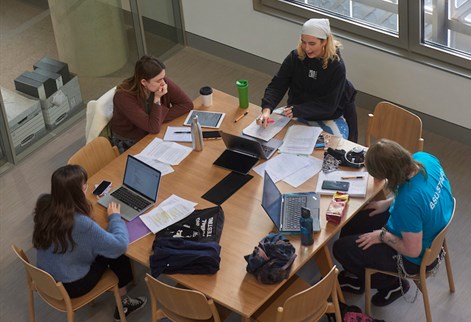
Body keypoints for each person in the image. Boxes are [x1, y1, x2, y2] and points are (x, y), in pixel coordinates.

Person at [333, 139, 454, 306]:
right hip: (431, 228)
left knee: (340, 248)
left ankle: (392, 284)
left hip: (415, 257)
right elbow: (420, 194)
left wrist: (382, 236)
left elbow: (412, 250)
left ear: (389, 175)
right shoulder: (424, 159)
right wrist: (388, 202)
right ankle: (356, 276)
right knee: (354, 222)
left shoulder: (408, 201)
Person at [32, 165, 147, 321]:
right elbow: (120, 245)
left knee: (102, 246)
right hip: (71, 284)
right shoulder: (81, 224)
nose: (86, 187)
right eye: (84, 185)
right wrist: (115, 217)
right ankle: (124, 303)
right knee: (117, 255)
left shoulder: (45, 203)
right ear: (76, 192)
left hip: (46, 276)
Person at [256, 18, 358, 142]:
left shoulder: (337, 66)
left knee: (330, 150)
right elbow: (277, 85)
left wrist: (298, 110)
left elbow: (328, 106)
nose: (307, 48)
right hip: (296, 111)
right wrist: (266, 109)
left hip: (327, 116)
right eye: (304, 42)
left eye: (312, 44)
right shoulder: (295, 57)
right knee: (267, 138)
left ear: (324, 41)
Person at [111, 55, 193, 153]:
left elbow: (187, 104)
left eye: (163, 77)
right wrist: (157, 99)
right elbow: (153, 128)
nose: (163, 83)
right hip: (130, 139)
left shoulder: (160, 82)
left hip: (151, 129)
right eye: (159, 80)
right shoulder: (123, 97)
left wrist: (156, 119)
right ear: (144, 82)